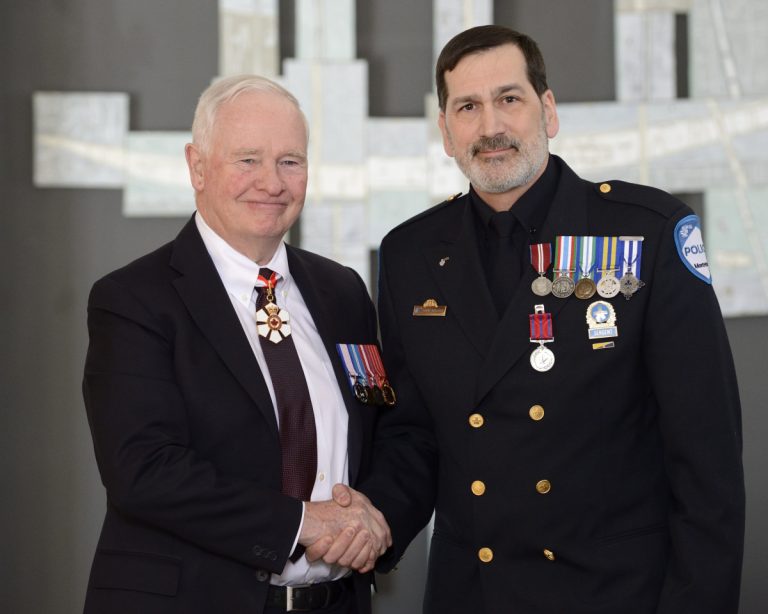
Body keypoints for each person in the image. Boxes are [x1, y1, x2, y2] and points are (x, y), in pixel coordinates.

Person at [353, 25, 744, 614]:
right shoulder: (409, 255)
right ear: (445, 132)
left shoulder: (647, 232)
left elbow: (706, 462)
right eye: (468, 107)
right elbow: (412, 435)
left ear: (548, 110)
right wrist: (372, 522)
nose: (490, 127)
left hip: (614, 593)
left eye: (509, 99)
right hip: (473, 595)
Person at [82, 74, 390, 614]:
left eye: (290, 161)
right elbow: (144, 469)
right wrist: (300, 524)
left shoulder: (343, 293)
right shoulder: (132, 300)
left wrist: (372, 521)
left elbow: (385, 427)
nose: (272, 182)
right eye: (247, 159)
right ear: (197, 166)